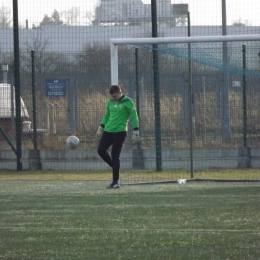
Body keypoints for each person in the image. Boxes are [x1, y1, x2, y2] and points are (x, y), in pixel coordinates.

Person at [96, 84, 140, 189]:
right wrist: (101, 127)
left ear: (120, 93)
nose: (113, 98)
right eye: (112, 97)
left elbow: (134, 116)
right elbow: (106, 115)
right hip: (108, 131)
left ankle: (115, 182)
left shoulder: (128, 102)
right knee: (101, 150)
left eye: (115, 96)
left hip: (120, 132)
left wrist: (136, 131)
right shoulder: (110, 102)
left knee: (115, 154)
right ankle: (114, 166)